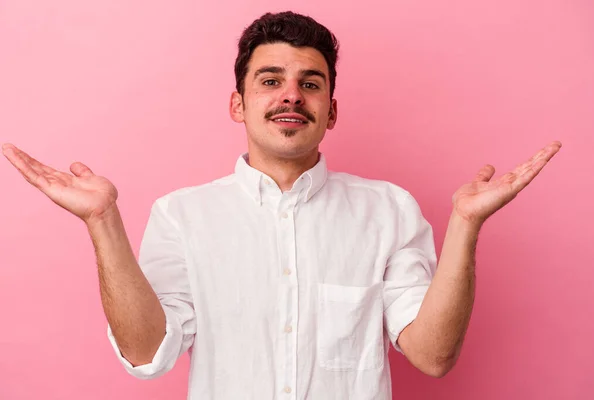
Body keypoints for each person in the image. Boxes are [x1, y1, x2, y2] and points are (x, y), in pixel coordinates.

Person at [2, 10, 561, 400]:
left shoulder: (390, 211)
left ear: (331, 111)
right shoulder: (182, 215)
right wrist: (103, 222)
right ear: (237, 103)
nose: (291, 94)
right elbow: (150, 355)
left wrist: (465, 224)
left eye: (310, 83)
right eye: (271, 80)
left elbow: (433, 356)